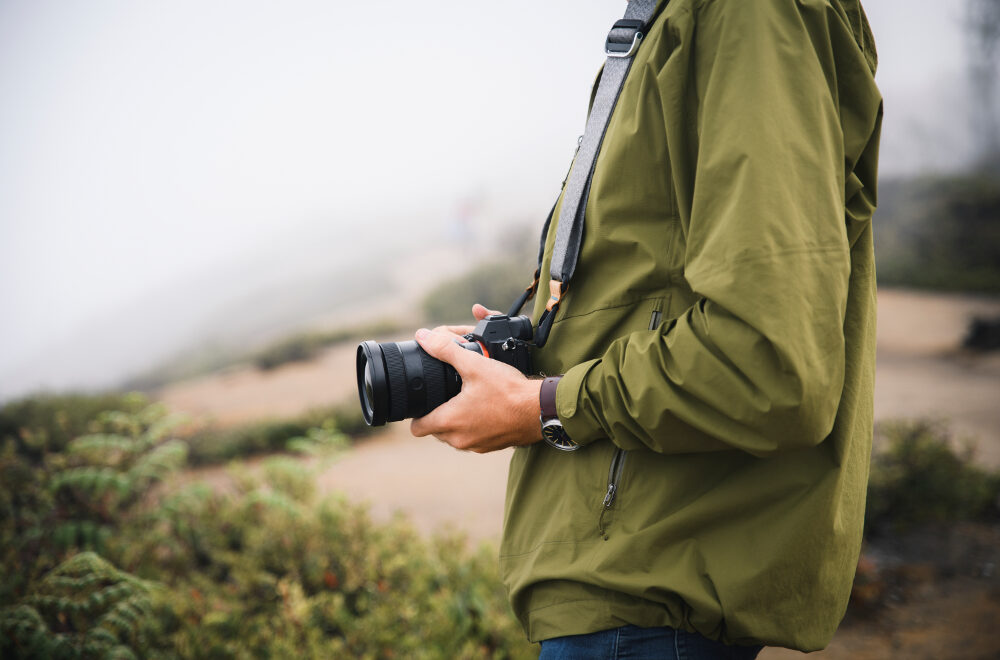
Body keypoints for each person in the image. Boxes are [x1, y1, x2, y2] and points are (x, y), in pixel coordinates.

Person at [410, 0, 882, 656]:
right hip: (618, 588)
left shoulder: (748, 14)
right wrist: (538, 342)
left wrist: (541, 407)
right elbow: (654, 287)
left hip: (648, 599)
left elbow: (770, 363)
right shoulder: (665, 21)